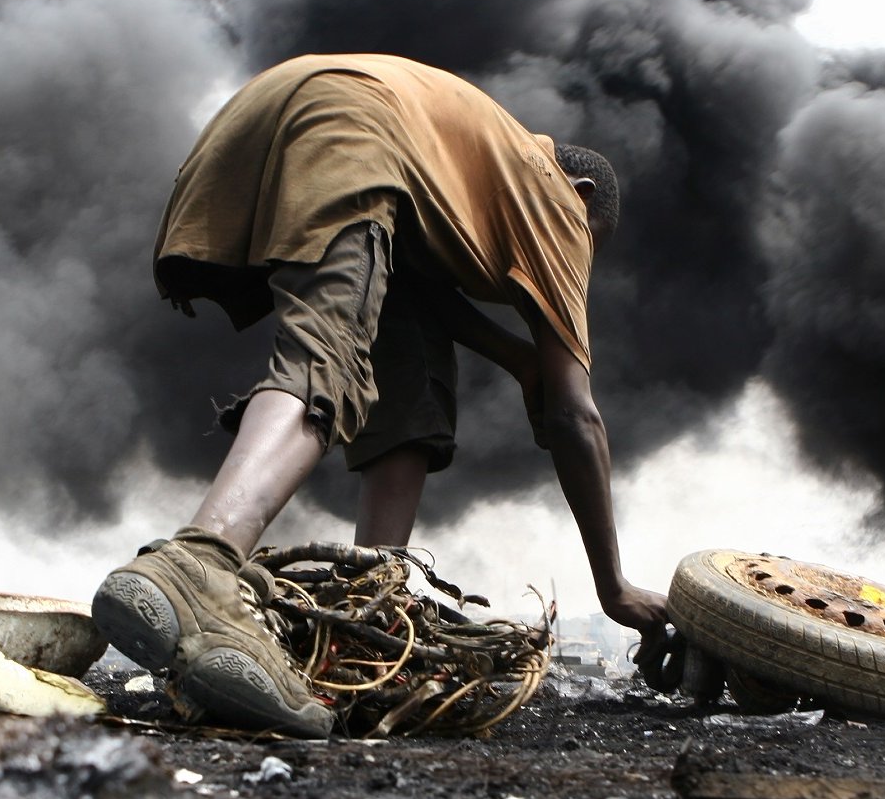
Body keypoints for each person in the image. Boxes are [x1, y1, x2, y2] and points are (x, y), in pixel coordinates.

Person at [92, 53, 669, 738]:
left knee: (410, 371)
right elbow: (576, 414)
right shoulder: (558, 196)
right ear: (579, 192)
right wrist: (614, 587)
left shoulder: (469, 165)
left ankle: (362, 620)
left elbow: (421, 294)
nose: (575, 262)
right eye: (587, 247)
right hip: (347, 127)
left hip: (257, 122)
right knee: (324, 355)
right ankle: (200, 562)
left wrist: (518, 360)